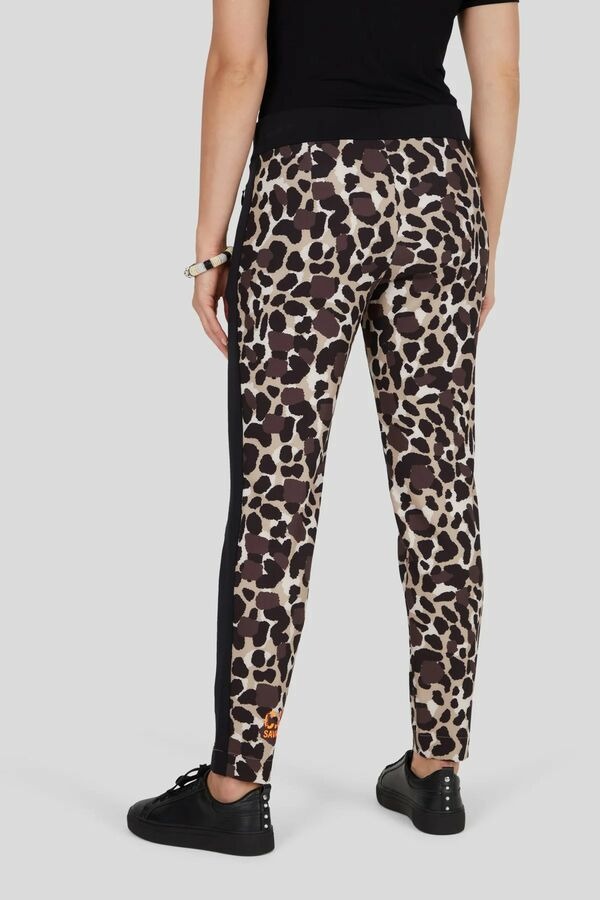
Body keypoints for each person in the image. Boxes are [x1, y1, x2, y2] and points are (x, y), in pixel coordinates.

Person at [127, 0, 519, 854]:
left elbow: (238, 65)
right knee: (439, 488)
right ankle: (437, 768)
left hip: (304, 192)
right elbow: (497, 77)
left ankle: (236, 789)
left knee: (277, 495)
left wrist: (210, 246)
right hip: (438, 193)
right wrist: (482, 240)